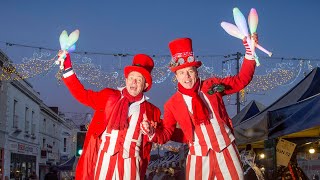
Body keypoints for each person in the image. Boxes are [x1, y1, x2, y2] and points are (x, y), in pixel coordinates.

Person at [142, 35, 258, 180]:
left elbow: (241, 80)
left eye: (190, 71)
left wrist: (249, 53)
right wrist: (152, 133)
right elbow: (166, 133)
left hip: (226, 149)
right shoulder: (172, 104)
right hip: (198, 156)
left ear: (196, 72)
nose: (187, 77)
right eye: (182, 73)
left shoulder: (211, 86)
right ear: (176, 76)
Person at [58, 52, 161, 179]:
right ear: (126, 80)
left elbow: (164, 134)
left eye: (139, 79)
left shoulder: (152, 111)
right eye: (131, 77)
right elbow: (82, 95)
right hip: (104, 159)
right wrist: (68, 68)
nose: (133, 82)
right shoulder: (109, 96)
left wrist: (152, 132)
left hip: (131, 163)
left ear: (145, 85)